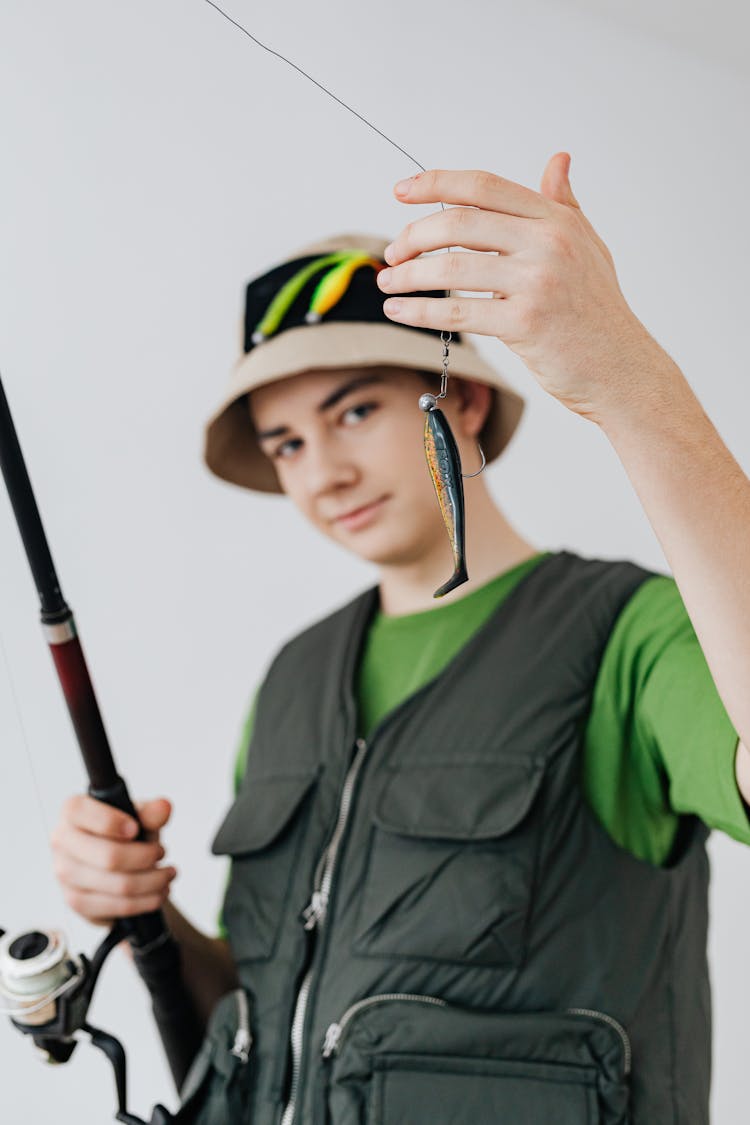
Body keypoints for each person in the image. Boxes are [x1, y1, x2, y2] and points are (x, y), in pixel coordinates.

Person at [50, 156, 750, 1125]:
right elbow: (274, 1037)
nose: (324, 473)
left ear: (461, 397)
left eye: (358, 410)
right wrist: (144, 915)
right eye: (287, 441)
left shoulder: (632, 632)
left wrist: (628, 381)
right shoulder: (294, 679)